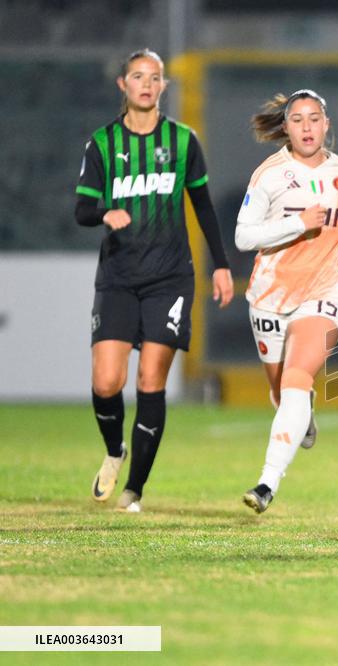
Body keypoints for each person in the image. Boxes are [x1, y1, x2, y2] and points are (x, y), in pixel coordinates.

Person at [76, 49, 233, 513]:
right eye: (138, 76)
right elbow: (82, 209)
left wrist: (220, 265)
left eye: (155, 77)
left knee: (150, 379)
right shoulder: (102, 144)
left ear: (164, 86)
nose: (147, 84)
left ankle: (134, 490)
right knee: (107, 382)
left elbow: (203, 206)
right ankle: (114, 451)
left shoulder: (183, 142)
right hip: (119, 278)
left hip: (169, 279)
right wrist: (107, 210)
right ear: (122, 84)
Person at [235, 89, 338, 513]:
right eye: (298, 120)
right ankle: (301, 409)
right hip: (271, 296)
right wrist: (297, 223)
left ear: (327, 124)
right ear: (285, 128)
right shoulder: (269, 175)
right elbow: (243, 236)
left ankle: (267, 483)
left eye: (314, 119)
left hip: (327, 289)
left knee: (295, 378)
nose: (307, 128)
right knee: (280, 391)